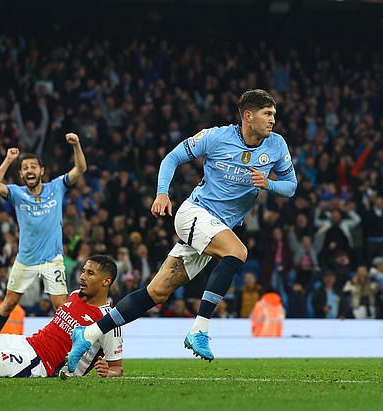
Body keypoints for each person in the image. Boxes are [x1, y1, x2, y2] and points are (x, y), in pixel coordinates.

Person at [67, 89, 297, 369]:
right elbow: (171, 158)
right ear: (248, 116)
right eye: (267, 114)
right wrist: (162, 193)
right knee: (237, 251)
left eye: (274, 114)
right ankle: (199, 329)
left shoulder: (276, 145)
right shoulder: (215, 137)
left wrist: (268, 184)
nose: (273, 120)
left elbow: (291, 186)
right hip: (194, 214)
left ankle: (88, 333)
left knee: (156, 293)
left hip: (216, 228)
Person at [0, 132, 87, 333]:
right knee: (8, 303)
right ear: (21, 175)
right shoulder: (17, 193)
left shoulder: (56, 186)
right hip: (25, 260)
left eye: (33, 167)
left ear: (42, 171)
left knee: (62, 308)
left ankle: (70, 349)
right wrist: (8, 160)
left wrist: (76, 145)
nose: (29, 170)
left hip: (52, 260)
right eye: (25, 168)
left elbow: (81, 168)